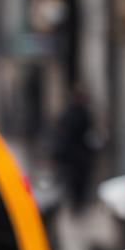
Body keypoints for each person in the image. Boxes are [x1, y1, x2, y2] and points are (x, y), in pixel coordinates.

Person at [51, 86, 97, 214]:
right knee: (77, 182)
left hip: (76, 156)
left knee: (77, 182)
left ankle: (77, 204)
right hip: (77, 156)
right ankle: (78, 204)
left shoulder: (74, 114)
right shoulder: (77, 114)